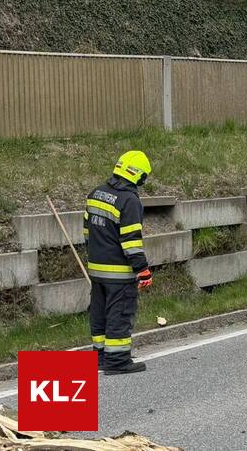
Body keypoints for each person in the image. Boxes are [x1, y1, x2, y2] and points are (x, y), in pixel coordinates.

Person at [86, 151, 154, 374]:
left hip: (96, 269)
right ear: (138, 175)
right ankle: (117, 361)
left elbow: (87, 232)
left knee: (99, 314)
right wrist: (142, 270)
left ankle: (100, 357)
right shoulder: (129, 201)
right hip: (119, 272)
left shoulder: (96, 193)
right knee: (120, 313)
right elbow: (131, 242)